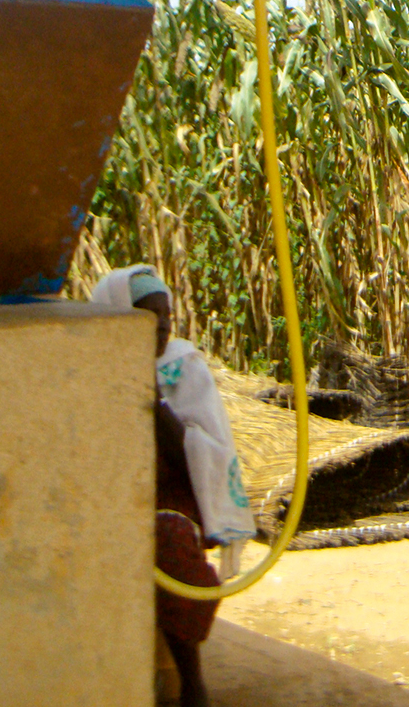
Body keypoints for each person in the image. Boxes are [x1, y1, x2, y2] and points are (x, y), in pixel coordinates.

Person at [90, 266, 256, 707]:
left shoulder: (181, 367)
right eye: (148, 315)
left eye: (167, 316)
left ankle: (191, 681)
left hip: (175, 492)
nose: (162, 325)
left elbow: (200, 453)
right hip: (109, 492)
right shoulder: (90, 367)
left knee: (170, 541)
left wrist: (150, 395)